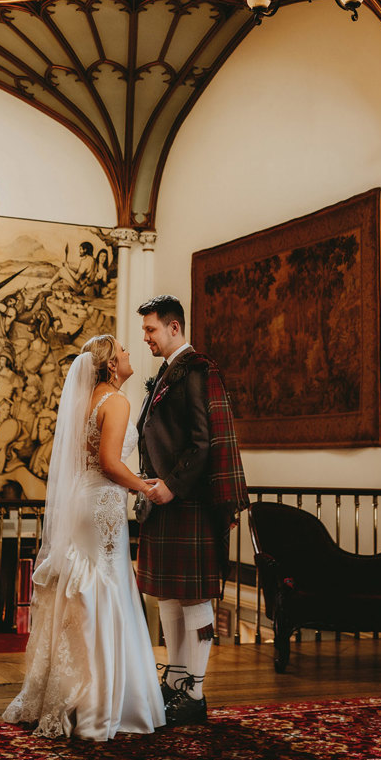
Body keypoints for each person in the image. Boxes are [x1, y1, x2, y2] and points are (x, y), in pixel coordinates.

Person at [2, 335, 165, 740]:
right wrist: (145, 487)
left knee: (84, 586)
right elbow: (110, 463)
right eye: (123, 351)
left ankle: (68, 691)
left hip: (81, 501)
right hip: (102, 506)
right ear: (112, 365)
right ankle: (98, 703)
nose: (129, 354)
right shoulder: (117, 401)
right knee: (105, 585)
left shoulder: (85, 402)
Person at [136, 294, 248, 726]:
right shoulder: (168, 374)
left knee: (196, 598)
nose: (145, 337)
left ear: (174, 328)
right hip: (163, 502)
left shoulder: (198, 371)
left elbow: (205, 442)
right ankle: (176, 681)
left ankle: (195, 693)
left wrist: (172, 486)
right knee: (169, 594)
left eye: (150, 329)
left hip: (188, 502)